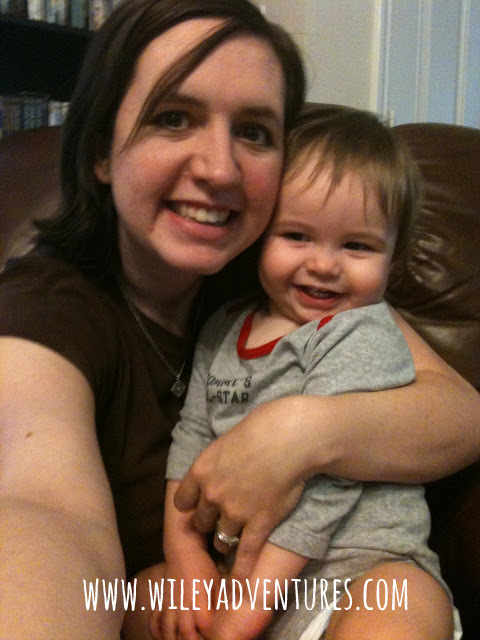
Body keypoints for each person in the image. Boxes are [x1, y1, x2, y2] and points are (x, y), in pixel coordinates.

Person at [0, 1, 479, 638]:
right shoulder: (44, 311)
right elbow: (40, 508)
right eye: (173, 118)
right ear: (100, 150)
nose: (220, 169)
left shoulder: (284, 279)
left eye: (254, 132)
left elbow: (459, 411)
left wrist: (304, 434)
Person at [126, 108, 461, 640]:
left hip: (361, 574)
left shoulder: (361, 331)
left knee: (404, 606)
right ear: (261, 235)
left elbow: (328, 489)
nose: (324, 265)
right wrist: (188, 566)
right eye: (298, 236)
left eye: (356, 246)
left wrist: (247, 615)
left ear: (393, 260)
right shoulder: (221, 329)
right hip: (242, 572)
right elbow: (190, 445)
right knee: (141, 596)